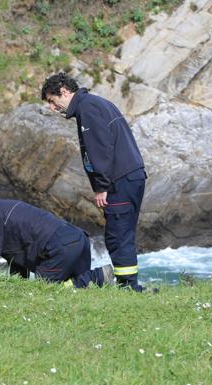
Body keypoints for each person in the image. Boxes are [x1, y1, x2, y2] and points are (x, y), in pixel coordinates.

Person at [41, 72, 147, 292]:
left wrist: (101, 187)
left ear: (64, 91)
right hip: (132, 176)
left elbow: (99, 150)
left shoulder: (87, 109)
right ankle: (129, 285)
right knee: (124, 233)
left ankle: (128, 287)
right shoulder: (95, 103)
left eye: (52, 101)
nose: (52, 108)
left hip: (119, 180)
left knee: (117, 235)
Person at [0, 184, 114, 288]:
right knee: (77, 294)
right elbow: (17, 254)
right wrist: (17, 287)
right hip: (76, 239)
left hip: (60, 247)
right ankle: (91, 280)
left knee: (44, 290)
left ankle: (98, 276)